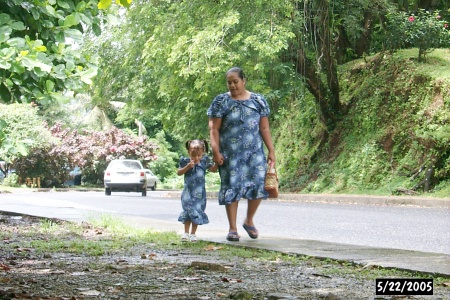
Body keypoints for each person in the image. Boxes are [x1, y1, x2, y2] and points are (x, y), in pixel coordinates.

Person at [207, 66, 276, 242]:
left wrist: (271, 150)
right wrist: (215, 152)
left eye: (235, 81)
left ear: (244, 81)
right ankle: (232, 228)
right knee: (232, 187)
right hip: (230, 154)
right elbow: (214, 129)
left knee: (258, 186)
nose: (232, 85)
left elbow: (264, 127)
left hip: (255, 153)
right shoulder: (221, 102)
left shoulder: (258, 101)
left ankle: (249, 220)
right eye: (229, 82)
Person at [177, 139, 218, 242]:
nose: (196, 158)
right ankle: (185, 233)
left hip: (200, 194)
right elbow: (179, 172)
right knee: (188, 211)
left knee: (197, 211)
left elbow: (213, 169)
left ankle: (193, 234)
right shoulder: (185, 161)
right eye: (193, 156)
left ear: (203, 153)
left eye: (198, 156)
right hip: (188, 192)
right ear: (188, 152)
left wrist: (217, 163)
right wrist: (187, 167)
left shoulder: (204, 162)